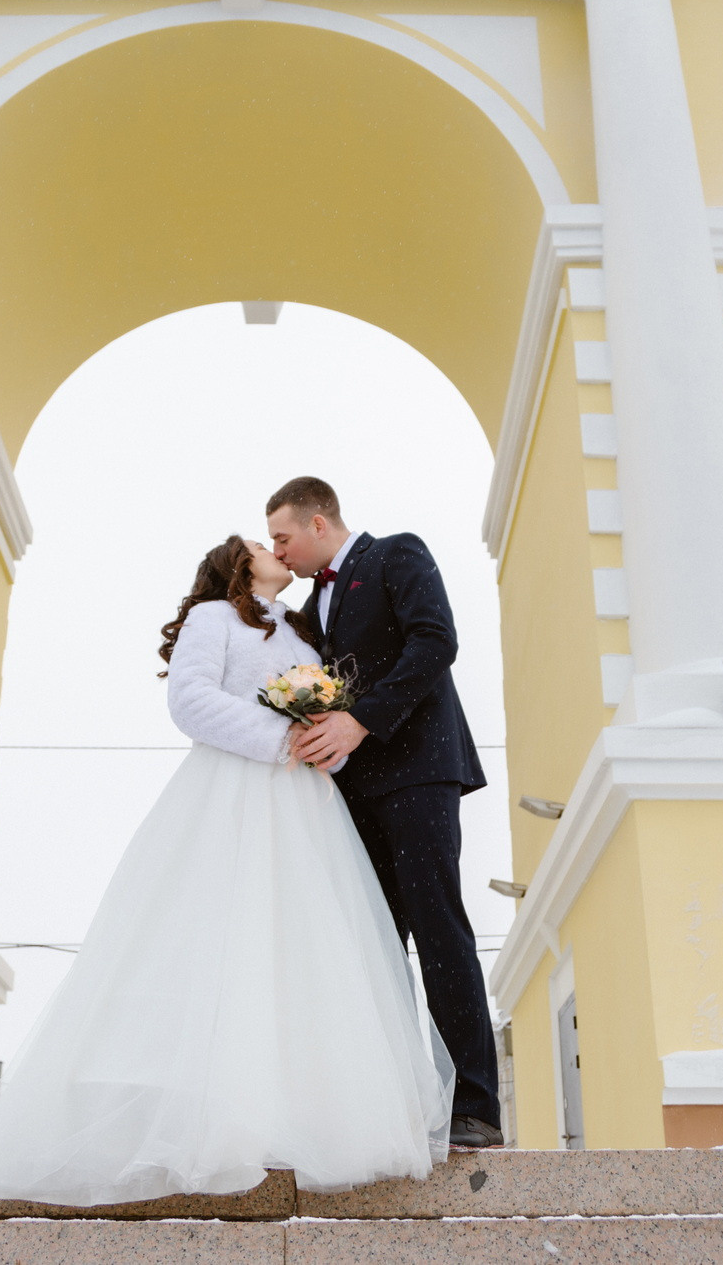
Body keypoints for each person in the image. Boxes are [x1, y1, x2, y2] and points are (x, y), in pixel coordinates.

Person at [0, 535, 451, 1206]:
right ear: (238, 563)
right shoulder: (211, 619)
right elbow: (191, 701)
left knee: (300, 950)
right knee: (215, 940)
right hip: (230, 794)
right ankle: (198, 1114)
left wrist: (321, 744)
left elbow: (328, 724)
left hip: (304, 807)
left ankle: (297, 1111)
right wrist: (276, 735)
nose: (279, 550)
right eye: (265, 544)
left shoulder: (305, 633)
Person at [266, 476, 502, 1150]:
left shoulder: (397, 554)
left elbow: (435, 642)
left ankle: (475, 1104)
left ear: (318, 523)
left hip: (420, 772)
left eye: (284, 536)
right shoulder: (310, 606)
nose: (280, 551)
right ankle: (399, 1103)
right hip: (351, 794)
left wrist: (360, 720)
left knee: (438, 928)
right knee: (369, 945)